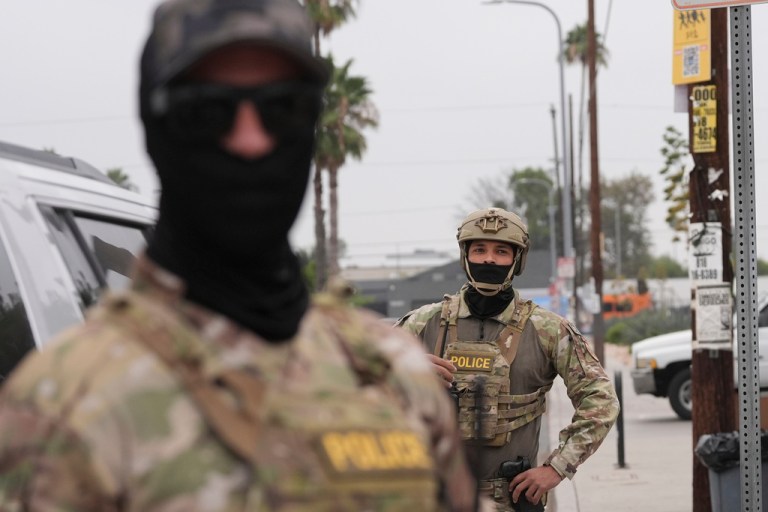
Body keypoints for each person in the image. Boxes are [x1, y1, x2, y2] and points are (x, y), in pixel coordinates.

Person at [0, 1, 481, 510]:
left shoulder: (391, 372)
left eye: (285, 107)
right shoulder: (60, 409)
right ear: (156, 127)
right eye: (207, 110)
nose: (251, 140)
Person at [397, 206, 620, 511]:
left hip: (511, 500)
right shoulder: (423, 324)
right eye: (480, 249)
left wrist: (557, 467)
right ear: (466, 256)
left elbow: (602, 401)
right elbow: (353, 393)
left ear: (517, 260)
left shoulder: (547, 330)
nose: (489, 259)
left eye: (501, 251)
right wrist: (403, 376)